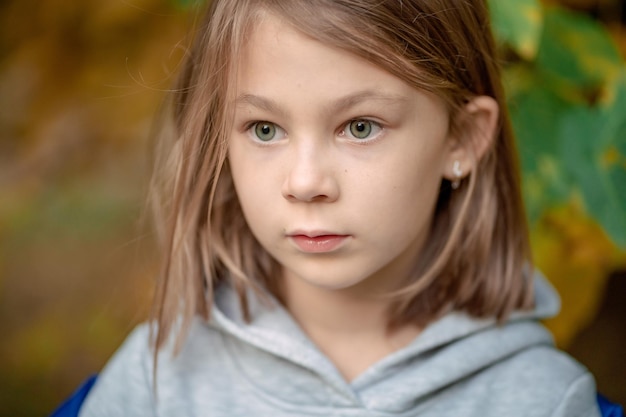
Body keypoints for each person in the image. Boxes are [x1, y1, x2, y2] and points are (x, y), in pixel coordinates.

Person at [60, 0, 609, 415]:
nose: (304, 183)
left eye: (360, 127)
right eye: (265, 128)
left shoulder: (543, 399)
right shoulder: (158, 379)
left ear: (461, 139)